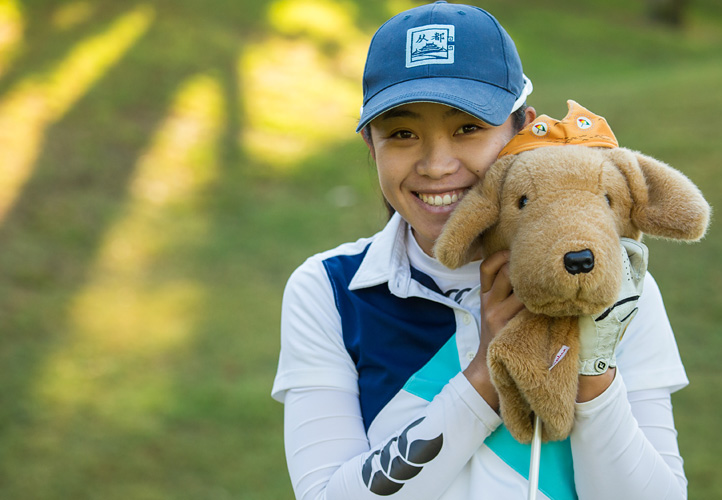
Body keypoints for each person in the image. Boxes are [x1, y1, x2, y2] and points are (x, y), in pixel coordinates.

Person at [271, 2, 689, 499]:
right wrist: (484, 375)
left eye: (468, 128)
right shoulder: (331, 289)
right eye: (402, 134)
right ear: (370, 143)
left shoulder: (612, 282)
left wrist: (593, 372)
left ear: (525, 131)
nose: (436, 164)